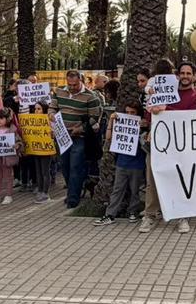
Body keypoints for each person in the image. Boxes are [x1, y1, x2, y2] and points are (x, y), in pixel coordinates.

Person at [140, 60, 196, 234]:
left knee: (180, 180)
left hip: (182, 146)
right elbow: (149, 115)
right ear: (177, 75)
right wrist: (153, 106)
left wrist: (164, 108)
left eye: (188, 73)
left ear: (194, 76)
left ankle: (182, 216)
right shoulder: (162, 91)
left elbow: (190, 118)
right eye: (182, 73)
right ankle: (150, 215)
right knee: (152, 180)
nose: (185, 76)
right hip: (158, 143)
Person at [50, 70, 103, 209]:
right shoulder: (59, 92)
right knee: (65, 165)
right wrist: (51, 114)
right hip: (63, 136)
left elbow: (95, 117)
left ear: (81, 81)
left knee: (75, 165)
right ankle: (74, 190)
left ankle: (73, 198)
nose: (72, 87)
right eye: (70, 84)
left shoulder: (91, 97)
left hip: (79, 137)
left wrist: (81, 128)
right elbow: (52, 107)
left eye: (75, 84)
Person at [95, 100, 148, 226]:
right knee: (117, 190)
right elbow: (109, 138)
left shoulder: (143, 126)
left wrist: (145, 126)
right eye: (127, 112)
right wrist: (111, 121)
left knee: (135, 190)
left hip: (137, 164)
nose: (129, 114)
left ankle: (133, 212)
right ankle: (110, 214)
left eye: (132, 112)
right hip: (122, 163)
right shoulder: (120, 123)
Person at [0, 107, 22, 206]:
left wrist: (17, 145)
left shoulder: (12, 130)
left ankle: (8, 195)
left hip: (8, 158)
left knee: (8, 176)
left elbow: (19, 141)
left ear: (8, 119)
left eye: (1, 118)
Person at [24, 99, 55, 204]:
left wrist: (51, 132)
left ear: (44, 110)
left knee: (45, 171)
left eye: (39, 109)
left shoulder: (49, 120)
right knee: (38, 172)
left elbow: (54, 135)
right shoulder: (32, 120)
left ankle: (46, 193)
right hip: (36, 149)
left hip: (46, 150)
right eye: (35, 109)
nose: (36, 111)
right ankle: (40, 190)